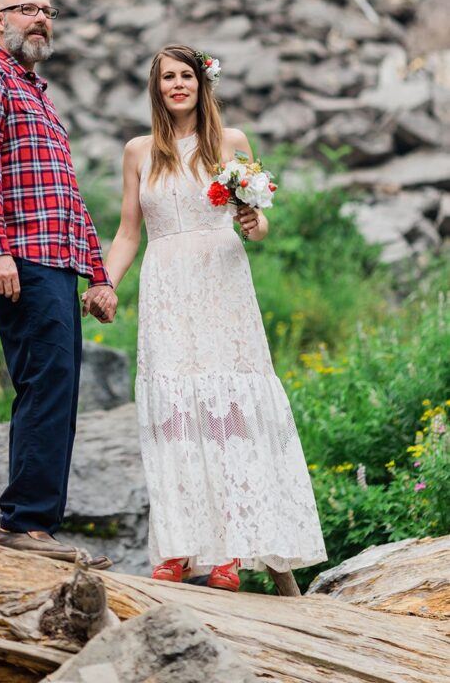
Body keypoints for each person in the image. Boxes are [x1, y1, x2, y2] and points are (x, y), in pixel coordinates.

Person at [97, 43, 326, 589]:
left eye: (186, 76)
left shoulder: (231, 142)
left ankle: (231, 553)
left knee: (228, 409)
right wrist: (105, 283)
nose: (177, 84)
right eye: (167, 78)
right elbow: (129, 231)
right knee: (175, 410)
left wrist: (254, 223)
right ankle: (179, 547)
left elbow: (259, 220)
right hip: (166, 282)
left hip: (222, 279)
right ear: (156, 89)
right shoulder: (137, 151)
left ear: (202, 83)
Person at [0, 0, 117, 568]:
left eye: (47, 11)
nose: (41, 19)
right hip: (21, 259)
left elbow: (67, 196)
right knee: (44, 385)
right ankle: (24, 525)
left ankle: (35, 525)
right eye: (28, 9)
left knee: (59, 388)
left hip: (59, 263)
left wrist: (97, 273)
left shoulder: (40, 96)